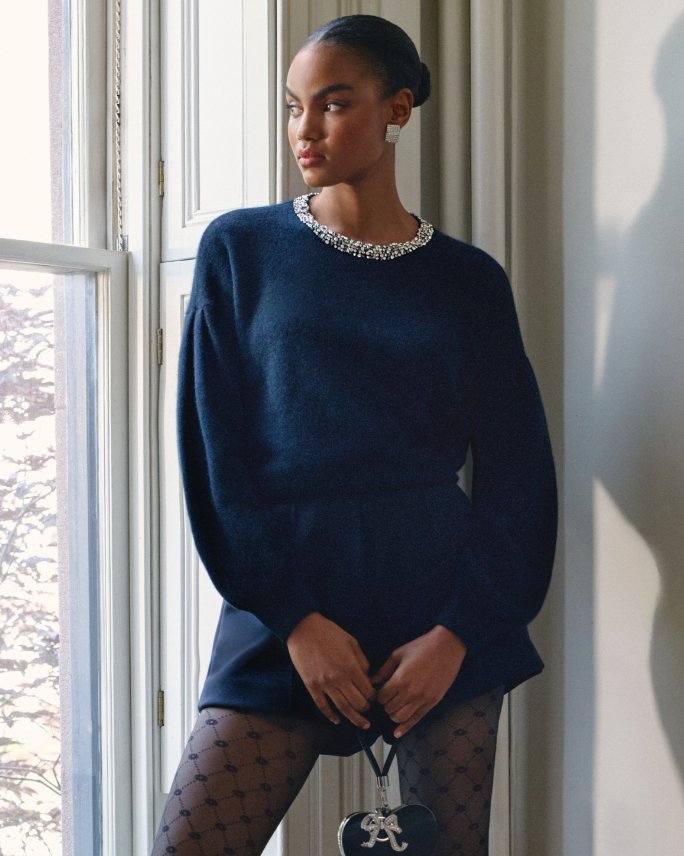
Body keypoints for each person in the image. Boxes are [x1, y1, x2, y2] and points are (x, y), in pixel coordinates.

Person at [151, 14, 557, 856]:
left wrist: (462, 632)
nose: (306, 128)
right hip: (288, 600)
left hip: (440, 612)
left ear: (397, 108)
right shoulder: (240, 250)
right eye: (294, 106)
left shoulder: (468, 280)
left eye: (333, 105)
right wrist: (295, 619)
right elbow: (213, 458)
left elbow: (519, 476)